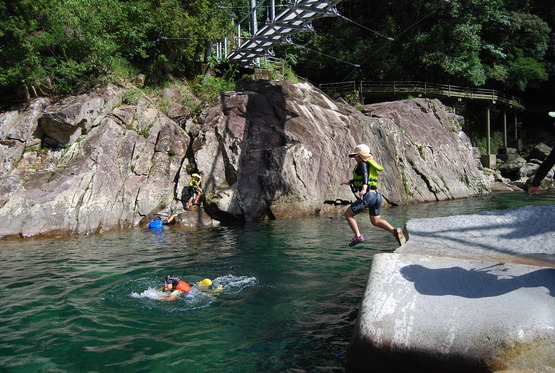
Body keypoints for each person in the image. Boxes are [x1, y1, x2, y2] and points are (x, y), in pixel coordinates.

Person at [341, 144, 405, 247]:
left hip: (368, 196)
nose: (354, 158)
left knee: (348, 214)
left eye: (356, 156)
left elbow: (365, 177)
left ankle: (358, 236)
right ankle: (395, 232)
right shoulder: (370, 164)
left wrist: (363, 189)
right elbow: (365, 177)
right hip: (377, 196)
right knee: (375, 221)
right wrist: (350, 182)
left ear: (360, 156)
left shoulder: (363, 164)